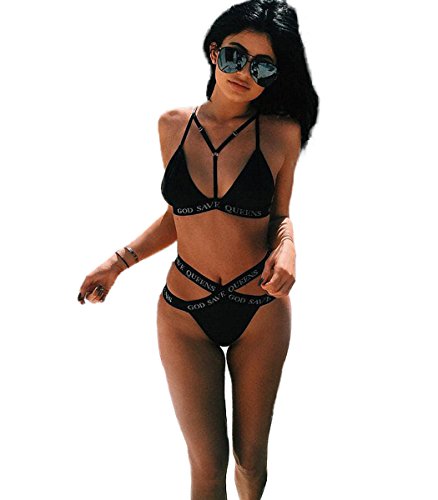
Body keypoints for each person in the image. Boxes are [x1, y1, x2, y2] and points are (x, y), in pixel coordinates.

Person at [77, 0, 318, 497]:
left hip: (260, 309)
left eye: (263, 66)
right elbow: (181, 214)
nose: (244, 73)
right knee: (207, 465)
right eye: (234, 56)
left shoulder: (282, 133)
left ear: (275, 75)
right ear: (213, 52)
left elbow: (280, 215)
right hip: (184, 313)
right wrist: (116, 263)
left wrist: (288, 246)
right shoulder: (172, 125)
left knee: (250, 462)